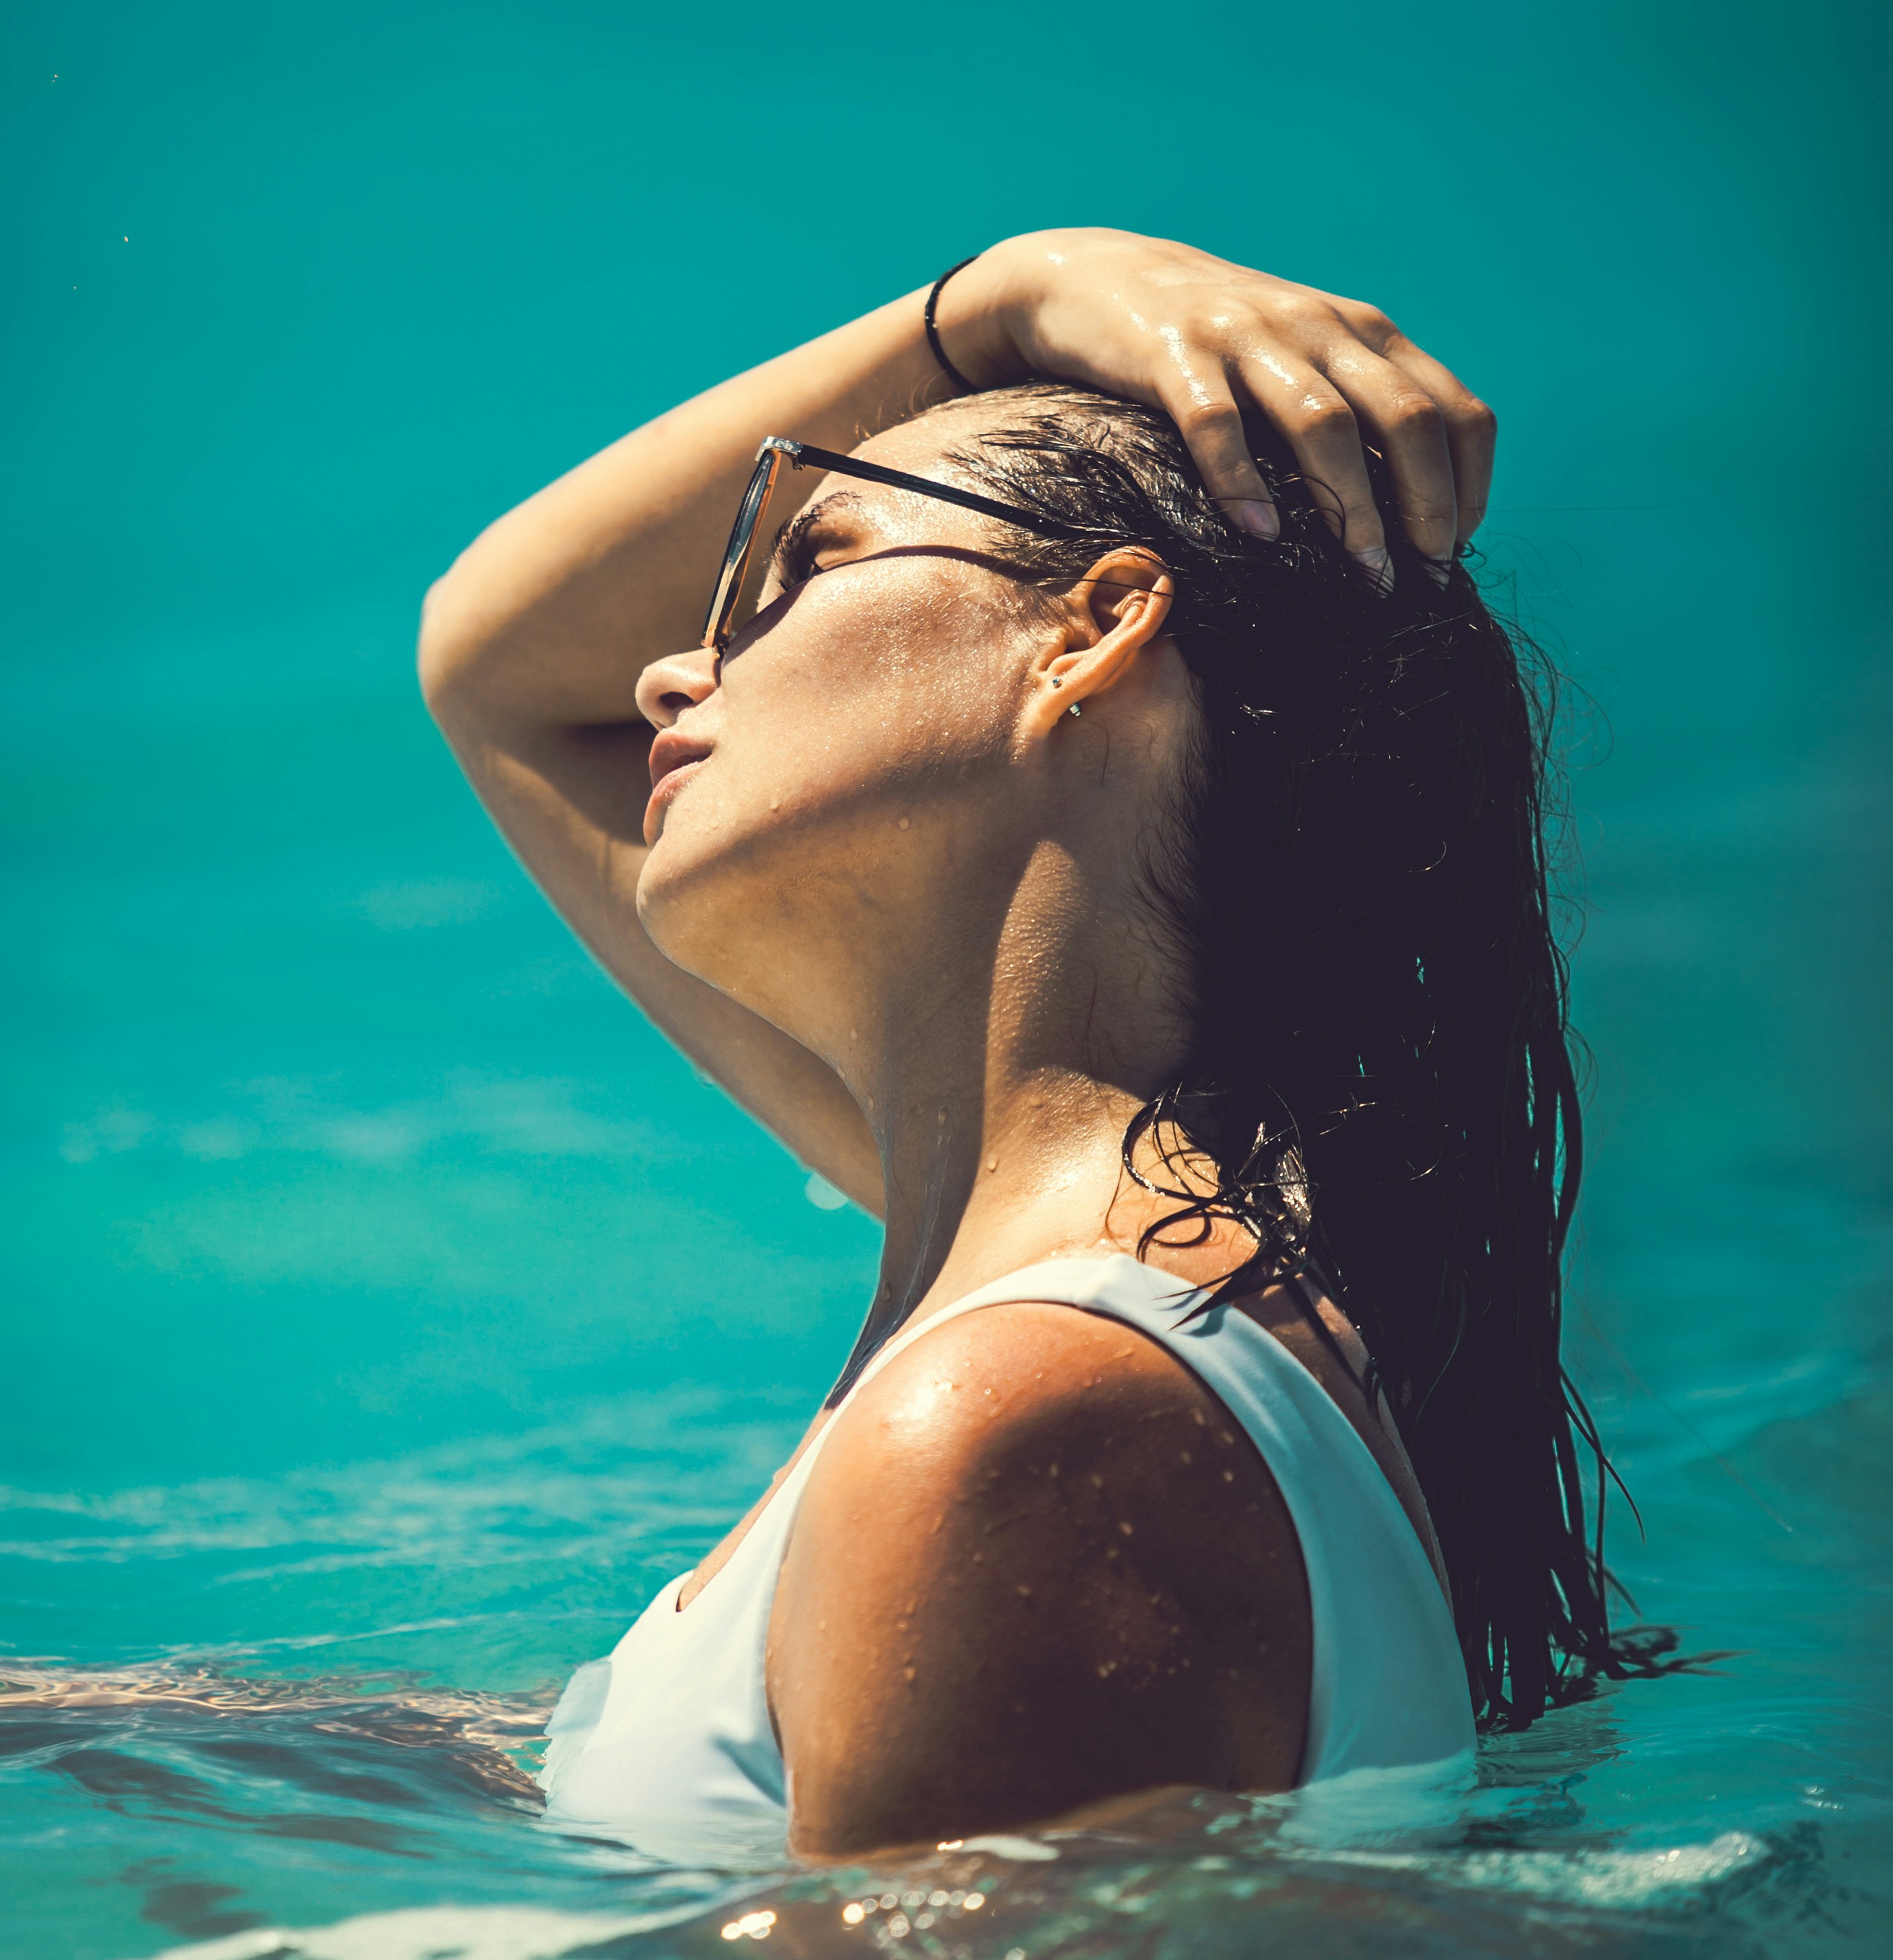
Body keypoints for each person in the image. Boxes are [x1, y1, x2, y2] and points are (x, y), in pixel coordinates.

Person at [418, 227, 1628, 1859]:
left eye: (804, 562)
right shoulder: (1102, 1268)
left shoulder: (1029, 1408)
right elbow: (494, 667)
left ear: (1090, 627)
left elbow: (501, 673)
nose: (663, 664)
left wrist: (983, 305)